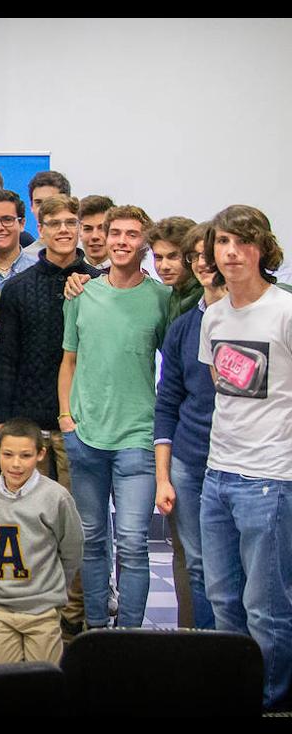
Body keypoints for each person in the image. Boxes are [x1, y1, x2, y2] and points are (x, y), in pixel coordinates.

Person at [196, 205, 292, 710]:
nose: (230, 252)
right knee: (223, 600)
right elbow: (221, 389)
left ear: (262, 249)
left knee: (267, 607)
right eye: (222, 242)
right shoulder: (213, 315)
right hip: (218, 475)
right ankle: (232, 693)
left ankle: (272, 702)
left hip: (270, 480)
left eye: (242, 242)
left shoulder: (285, 312)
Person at [59, 204, 171, 630]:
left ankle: (128, 635)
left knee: (131, 543)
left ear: (144, 242)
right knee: (91, 541)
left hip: (138, 437)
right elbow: (68, 362)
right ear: (104, 238)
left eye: (132, 234)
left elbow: (174, 367)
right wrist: (67, 419)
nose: (122, 241)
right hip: (86, 435)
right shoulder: (82, 292)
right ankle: (95, 632)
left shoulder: (160, 299)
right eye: (115, 233)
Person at [0, 194, 97, 634]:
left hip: (81, 423)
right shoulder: (18, 288)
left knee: (78, 526)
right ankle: (41, 610)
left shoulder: (99, 284)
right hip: (30, 426)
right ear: (40, 225)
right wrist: (3, 421)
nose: (63, 230)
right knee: (32, 525)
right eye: (53, 223)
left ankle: (74, 617)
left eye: (71, 222)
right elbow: (7, 360)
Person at [154, 222, 222, 631]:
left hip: (249, 465)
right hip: (190, 460)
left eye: (207, 255)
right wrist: (164, 477)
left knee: (249, 571)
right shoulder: (183, 326)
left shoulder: (272, 312)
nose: (202, 264)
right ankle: (208, 653)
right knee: (196, 564)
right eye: (195, 256)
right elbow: (168, 404)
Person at [0, 419, 83, 665]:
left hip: (42, 611)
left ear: (41, 454)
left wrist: (53, 587)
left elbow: (72, 549)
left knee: (43, 686)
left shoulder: (56, 497)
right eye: (8, 454)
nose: (16, 463)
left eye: (25, 455)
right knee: (2, 684)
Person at [149, 216, 201, 321]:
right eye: (158, 257)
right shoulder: (174, 295)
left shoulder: (207, 298)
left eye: (173, 257)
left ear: (192, 256)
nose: (164, 266)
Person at [21, 170, 72, 256]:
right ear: (31, 207)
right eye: (38, 202)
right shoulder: (24, 259)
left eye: (51, 202)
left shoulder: (86, 255)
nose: (43, 209)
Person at [77, 195, 115, 269]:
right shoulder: (66, 275)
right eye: (88, 229)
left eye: (102, 228)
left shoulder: (135, 277)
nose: (95, 236)